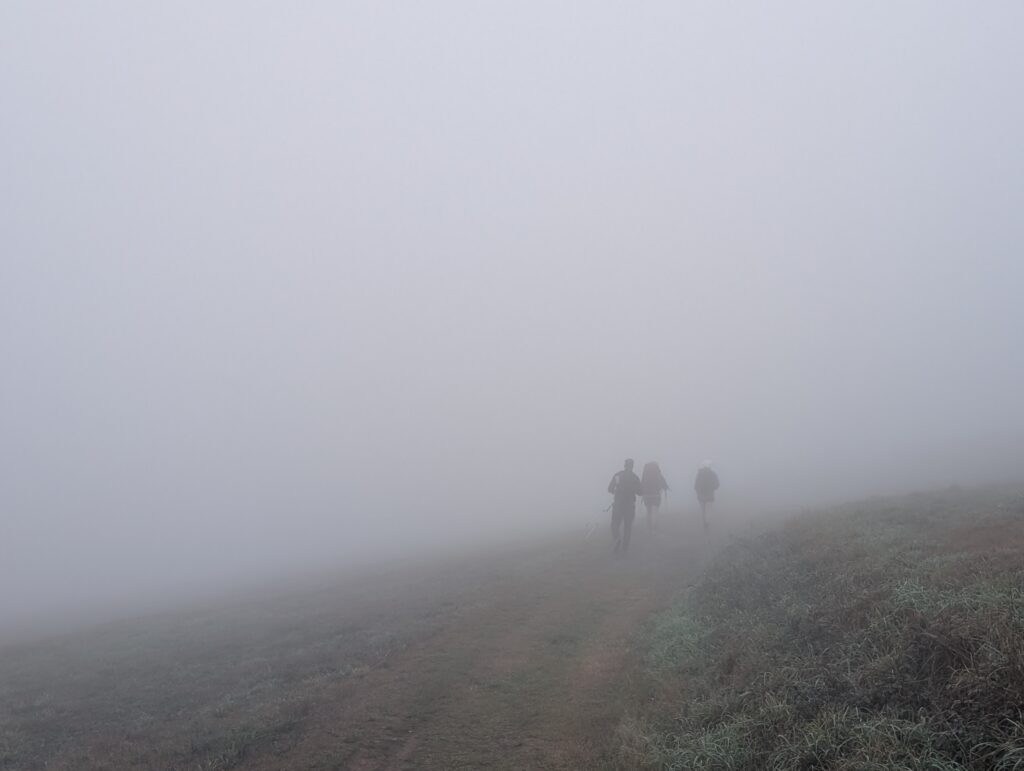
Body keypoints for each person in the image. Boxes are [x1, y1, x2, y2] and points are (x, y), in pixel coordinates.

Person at [607, 459, 643, 554]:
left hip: (618, 505)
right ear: (632, 466)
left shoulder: (618, 475)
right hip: (630, 506)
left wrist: (616, 492)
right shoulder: (635, 477)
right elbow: (640, 492)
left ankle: (617, 538)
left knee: (614, 525)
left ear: (624, 465)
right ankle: (624, 549)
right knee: (628, 528)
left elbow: (610, 488)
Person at [641, 461, 669, 531]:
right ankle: (654, 527)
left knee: (648, 511)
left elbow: (642, 484)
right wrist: (666, 488)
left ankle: (649, 526)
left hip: (646, 496)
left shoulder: (645, 475)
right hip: (656, 495)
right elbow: (663, 483)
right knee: (655, 511)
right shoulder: (658, 474)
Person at [694, 461, 720, 530]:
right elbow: (717, 484)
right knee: (708, 510)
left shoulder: (699, 474)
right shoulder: (713, 474)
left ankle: (704, 522)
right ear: (709, 467)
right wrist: (712, 488)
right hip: (710, 495)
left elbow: (696, 485)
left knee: (703, 510)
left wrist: (698, 492)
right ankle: (707, 523)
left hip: (701, 496)